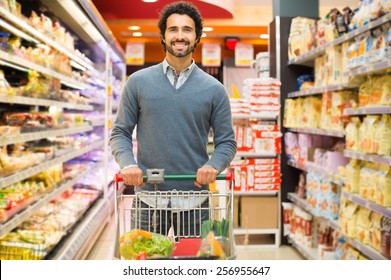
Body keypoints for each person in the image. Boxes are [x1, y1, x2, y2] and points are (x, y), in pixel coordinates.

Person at [110, 1, 237, 236]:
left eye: (187, 29)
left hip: (194, 204)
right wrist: (128, 164)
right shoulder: (138, 82)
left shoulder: (215, 89)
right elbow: (120, 132)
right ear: (163, 35)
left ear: (197, 36)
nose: (180, 36)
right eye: (173, 29)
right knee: (146, 267)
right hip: (148, 200)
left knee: (193, 268)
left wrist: (213, 165)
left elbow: (227, 142)